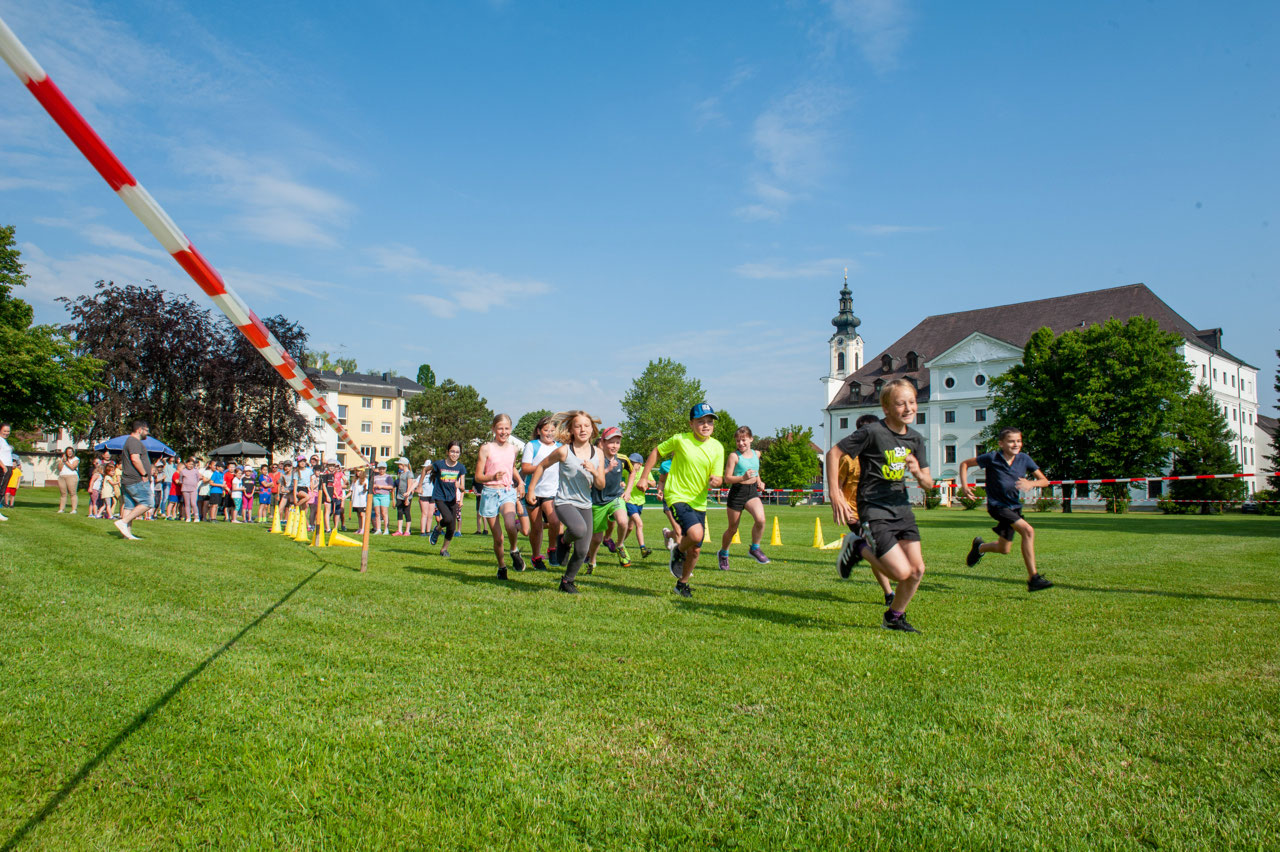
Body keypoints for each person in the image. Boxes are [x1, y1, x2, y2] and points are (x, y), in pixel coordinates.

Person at [826, 379, 934, 633]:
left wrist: (918, 473)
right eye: (900, 404)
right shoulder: (873, 432)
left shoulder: (916, 439)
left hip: (902, 508)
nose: (908, 408)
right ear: (886, 408)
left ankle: (894, 617)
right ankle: (857, 546)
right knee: (900, 573)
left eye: (912, 402)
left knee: (917, 570)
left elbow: (929, 483)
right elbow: (833, 453)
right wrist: (835, 494)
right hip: (874, 508)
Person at [637, 403, 726, 598]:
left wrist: (717, 481)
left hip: (699, 501)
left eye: (709, 421)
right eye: (701, 421)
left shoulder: (718, 447)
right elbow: (656, 452)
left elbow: (718, 478)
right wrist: (644, 477)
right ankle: (678, 549)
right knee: (695, 535)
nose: (706, 425)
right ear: (691, 424)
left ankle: (682, 584)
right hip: (677, 496)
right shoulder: (680, 440)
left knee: (695, 550)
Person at [959, 427, 1054, 592]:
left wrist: (1031, 483)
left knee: (1004, 549)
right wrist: (965, 486)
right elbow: (965, 464)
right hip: (997, 506)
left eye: (1018, 441)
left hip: (1014, 508)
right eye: (1011, 441)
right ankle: (1034, 578)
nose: (1015, 444)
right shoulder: (992, 458)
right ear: (1001, 443)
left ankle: (979, 548)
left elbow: (1045, 481)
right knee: (1028, 531)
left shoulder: (1024, 459)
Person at [526, 411, 605, 593]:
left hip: (585, 503)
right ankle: (563, 540)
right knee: (579, 530)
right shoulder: (564, 451)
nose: (582, 429)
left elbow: (600, 485)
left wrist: (594, 471)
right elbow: (542, 466)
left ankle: (567, 581)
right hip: (564, 502)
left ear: (592, 430)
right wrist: (531, 489)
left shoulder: (598, 453)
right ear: (571, 430)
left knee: (582, 550)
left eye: (586, 425)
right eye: (578, 426)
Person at [834, 413, 898, 606]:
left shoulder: (882, 456)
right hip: (855, 514)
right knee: (878, 551)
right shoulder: (848, 458)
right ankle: (889, 593)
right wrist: (840, 504)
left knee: (880, 551)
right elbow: (838, 484)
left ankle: (889, 594)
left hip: (880, 512)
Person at [476, 415, 527, 578]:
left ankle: (514, 550)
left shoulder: (514, 449)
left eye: (506, 428)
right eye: (500, 428)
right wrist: (491, 477)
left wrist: (519, 481)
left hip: (507, 492)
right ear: (493, 429)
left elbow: (511, 468)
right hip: (490, 493)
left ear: (510, 429)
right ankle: (502, 567)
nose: (503, 432)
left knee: (511, 525)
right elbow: (478, 476)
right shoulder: (486, 448)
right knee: (498, 538)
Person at [717, 426, 771, 570]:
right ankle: (723, 553)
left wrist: (759, 481)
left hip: (752, 492)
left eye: (744, 440)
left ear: (751, 439)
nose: (741, 443)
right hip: (737, 492)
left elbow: (755, 470)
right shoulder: (734, 456)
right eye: (738, 441)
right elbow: (727, 478)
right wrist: (743, 477)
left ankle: (755, 548)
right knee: (733, 529)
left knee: (761, 520)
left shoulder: (757, 454)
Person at [584, 427, 633, 573]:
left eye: (618, 443)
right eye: (612, 442)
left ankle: (620, 545)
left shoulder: (623, 459)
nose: (615, 446)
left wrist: (628, 491)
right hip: (598, 502)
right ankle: (592, 560)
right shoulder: (596, 459)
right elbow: (592, 480)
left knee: (623, 521)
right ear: (603, 443)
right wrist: (608, 469)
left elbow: (633, 472)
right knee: (596, 539)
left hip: (616, 497)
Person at [521, 415, 563, 571]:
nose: (549, 433)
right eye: (546, 430)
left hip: (552, 491)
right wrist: (543, 466)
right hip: (533, 491)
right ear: (539, 431)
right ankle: (536, 557)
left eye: (553, 430)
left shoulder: (559, 446)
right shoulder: (532, 445)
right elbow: (525, 468)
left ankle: (552, 549)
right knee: (537, 527)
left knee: (555, 521)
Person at [114, 420, 153, 540]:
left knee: (129, 506)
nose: (148, 433)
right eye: (146, 431)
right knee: (148, 503)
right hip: (136, 480)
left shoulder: (130, 441)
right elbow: (135, 459)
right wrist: (144, 474)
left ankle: (127, 534)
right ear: (140, 430)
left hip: (129, 480)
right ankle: (123, 522)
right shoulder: (134, 442)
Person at [427, 442, 466, 556]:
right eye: (452, 451)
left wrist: (460, 487)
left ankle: (444, 549)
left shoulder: (461, 467)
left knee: (452, 528)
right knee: (448, 519)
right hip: (439, 497)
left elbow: (463, 487)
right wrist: (419, 486)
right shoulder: (439, 464)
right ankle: (438, 528)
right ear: (448, 452)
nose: (455, 454)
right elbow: (425, 470)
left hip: (452, 499)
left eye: (457, 452)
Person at [614, 452, 653, 558]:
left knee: (630, 528)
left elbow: (654, 483)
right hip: (629, 501)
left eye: (633, 462)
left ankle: (618, 544)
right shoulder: (628, 471)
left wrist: (645, 480)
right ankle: (643, 548)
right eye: (630, 462)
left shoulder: (645, 471)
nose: (630, 464)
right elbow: (617, 476)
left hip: (640, 502)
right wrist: (621, 484)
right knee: (639, 524)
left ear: (640, 464)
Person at [392, 457, 414, 536]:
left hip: (406, 496)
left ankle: (407, 530)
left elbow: (409, 486)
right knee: (400, 512)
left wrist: (407, 498)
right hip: (399, 496)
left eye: (399, 464)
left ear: (403, 465)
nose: (398, 466)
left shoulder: (409, 474)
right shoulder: (401, 474)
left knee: (407, 512)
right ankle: (399, 530)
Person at [57, 446, 80, 514]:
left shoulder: (76, 459)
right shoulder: (63, 459)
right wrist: (62, 461)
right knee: (63, 493)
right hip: (62, 476)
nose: (69, 453)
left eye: (71, 451)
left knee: (72, 493)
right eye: (68, 452)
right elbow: (60, 468)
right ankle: (61, 509)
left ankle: (74, 509)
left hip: (72, 476)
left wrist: (66, 461)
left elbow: (72, 467)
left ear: (73, 452)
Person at [414, 460, 435, 536]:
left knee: (430, 514)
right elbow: (415, 483)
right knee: (424, 513)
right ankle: (422, 531)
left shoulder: (434, 476)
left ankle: (428, 530)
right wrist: (409, 491)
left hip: (432, 496)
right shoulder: (421, 476)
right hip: (424, 496)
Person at [180, 458, 200, 522]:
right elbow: (180, 480)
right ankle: (188, 517)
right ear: (186, 464)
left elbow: (198, 478)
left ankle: (196, 517)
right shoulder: (183, 471)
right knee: (187, 504)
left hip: (193, 489)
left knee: (193, 503)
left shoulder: (195, 470)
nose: (190, 465)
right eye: (189, 464)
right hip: (185, 489)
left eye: (192, 464)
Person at [350, 468, 369, 535]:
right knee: (358, 514)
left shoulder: (365, 480)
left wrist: (365, 488)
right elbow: (351, 490)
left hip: (362, 500)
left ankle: (363, 528)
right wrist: (345, 497)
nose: (358, 472)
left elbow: (366, 490)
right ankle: (360, 528)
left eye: (359, 471)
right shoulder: (355, 480)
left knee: (362, 514)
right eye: (357, 471)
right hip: (355, 500)